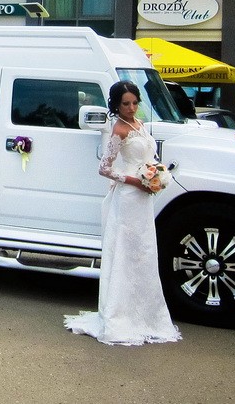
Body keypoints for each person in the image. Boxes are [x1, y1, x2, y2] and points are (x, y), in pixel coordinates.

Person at [63, 80, 181, 346]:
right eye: (125, 104)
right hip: (128, 196)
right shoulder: (119, 129)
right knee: (125, 252)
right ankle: (120, 315)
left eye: (135, 103)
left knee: (144, 252)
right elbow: (104, 168)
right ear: (116, 105)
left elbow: (148, 158)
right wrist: (135, 181)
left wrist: (156, 175)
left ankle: (146, 315)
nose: (131, 108)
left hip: (144, 197)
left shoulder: (140, 125)